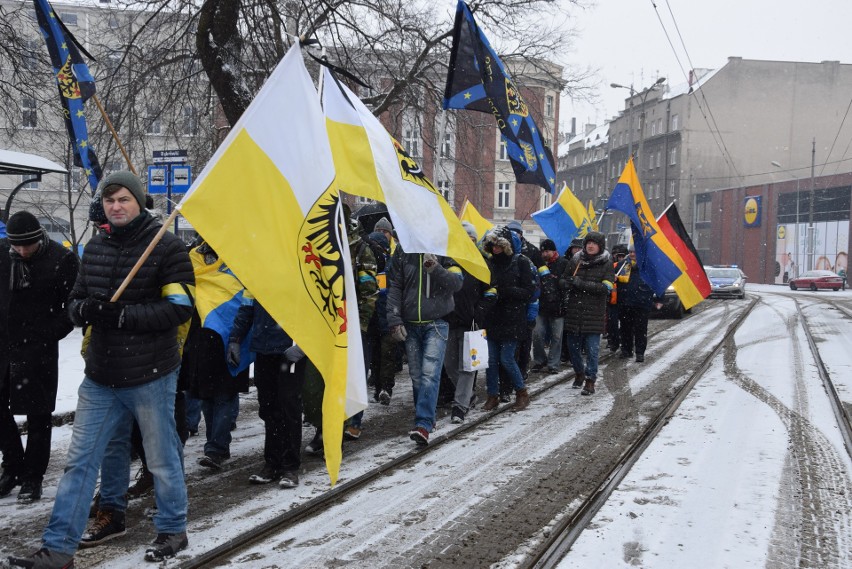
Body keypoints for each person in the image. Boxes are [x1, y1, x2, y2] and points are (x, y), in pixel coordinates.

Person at [9, 171, 195, 568]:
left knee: (161, 457)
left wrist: (123, 315)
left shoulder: (167, 248)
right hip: (100, 377)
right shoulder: (95, 247)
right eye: (110, 200)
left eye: (124, 199)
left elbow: (180, 308)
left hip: (151, 372)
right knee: (80, 462)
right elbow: (75, 301)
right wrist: (85, 310)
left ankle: (173, 528)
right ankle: (58, 549)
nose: (116, 206)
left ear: (139, 201)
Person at [0, 212, 79, 502]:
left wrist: (48, 333)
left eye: (28, 245)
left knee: (38, 414)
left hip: (37, 348)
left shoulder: (62, 259)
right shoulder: (2, 254)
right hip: (3, 344)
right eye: (16, 246)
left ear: (40, 238)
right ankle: (12, 465)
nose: (22, 251)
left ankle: (33, 476)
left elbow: (72, 304)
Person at [386, 244, 463, 446]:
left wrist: (436, 269)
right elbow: (394, 285)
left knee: (429, 375)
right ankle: (426, 418)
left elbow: (457, 283)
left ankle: (423, 423)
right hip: (411, 325)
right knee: (417, 376)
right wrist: (393, 318)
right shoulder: (403, 249)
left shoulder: (444, 246)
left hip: (436, 324)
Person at [183, 241, 249, 470]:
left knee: (224, 395)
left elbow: (245, 299)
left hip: (231, 337)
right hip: (200, 338)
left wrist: (237, 338)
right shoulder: (192, 257)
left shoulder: (239, 259)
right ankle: (216, 444)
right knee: (206, 396)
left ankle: (217, 448)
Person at [228, 295, 306, 488]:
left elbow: (314, 309)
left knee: (289, 407)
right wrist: (235, 339)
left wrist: (303, 345)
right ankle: (272, 463)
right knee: (269, 408)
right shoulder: (259, 271)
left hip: (291, 352)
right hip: (264, 349)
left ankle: (290, 466)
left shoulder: (300, 268)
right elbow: (247, 307)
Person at [442, 222, 496, 423]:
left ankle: (460, 407)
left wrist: (479, 312)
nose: (468, 241)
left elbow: (491, 292)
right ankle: (468, 396)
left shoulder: (482, 262)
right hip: (449, 320)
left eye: (471, 238)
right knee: (449, 365)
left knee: (467, 367)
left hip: (472, 324)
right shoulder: (448, 259)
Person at [481, 227, 537, 412]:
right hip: (493, 317)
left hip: (513, 318)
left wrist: (507, 291)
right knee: (491, 360)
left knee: (506, 358)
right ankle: (492, 395)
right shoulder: (490, 263)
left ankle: (522, 393)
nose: (495, 249)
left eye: (498, 245)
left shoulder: (520, 262)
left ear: (506, 246)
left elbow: (529, 292)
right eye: (492, 245)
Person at [560, 231, 614, 395]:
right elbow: (563, 279)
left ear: (600, 246)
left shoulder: (606, 263)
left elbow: (605, 288)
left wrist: (581, 284)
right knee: (573, 349)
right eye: (588, 243)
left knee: (592, 351)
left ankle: (590, 380)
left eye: (594, 243)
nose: (590, 246)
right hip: (574, 313)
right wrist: (567, 283)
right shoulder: (576, 261)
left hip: (594, 315)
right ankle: (579, 372)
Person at [531, 239, 567, 375]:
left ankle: (553, 363)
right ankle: (540, 360)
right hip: (541, 306)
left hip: (558, 307)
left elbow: (565, 285)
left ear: (553, 251)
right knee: (537, 334)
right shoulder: (538, 264)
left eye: (547, 251)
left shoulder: (563, 263)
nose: (545, 254)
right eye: (543, 251)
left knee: (557, 337)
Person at [617, 245, 658, 362]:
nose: (632, 254)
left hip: (642, 304)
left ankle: (640, 352)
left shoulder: (647, 267)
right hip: (625, 303)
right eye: (630, 252)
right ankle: (626, 350)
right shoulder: (622, 265)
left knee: (640, 329)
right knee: (625, 328)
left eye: (634, 252)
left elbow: (656, 283)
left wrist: (659, 299)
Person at [605, 244, 629, 352]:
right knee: (612, 323)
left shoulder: (627, 266)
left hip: (624, 299)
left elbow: (627, 280)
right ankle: (613, 341)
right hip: (612, 300)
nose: (619, 258)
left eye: (621, 256)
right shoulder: (610, 266)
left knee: (626, 324)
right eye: (617, 255)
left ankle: (625, 342)